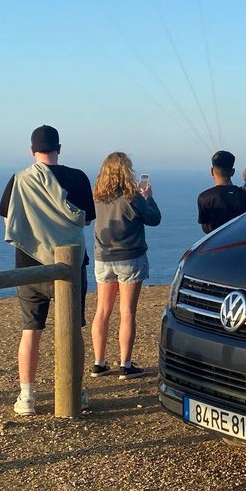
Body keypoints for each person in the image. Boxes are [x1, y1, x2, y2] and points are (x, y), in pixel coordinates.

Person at [0, 125, 94, 416]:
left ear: (32, 150)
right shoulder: (77, 177)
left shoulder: (19, 180)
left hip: (29, 267)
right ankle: (75, 391)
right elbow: (86, 220)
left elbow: (9, 222)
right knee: (73, 330)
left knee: (31, 331)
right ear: (59, 148)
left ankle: (27, 397)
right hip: (70, 265)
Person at [89, 152, 161, 379]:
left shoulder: (97, 197)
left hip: (103, 257)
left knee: (102, 310)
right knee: (127, 311)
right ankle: (125, 364)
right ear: (125, 171)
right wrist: (148, 197)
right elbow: (154, 219)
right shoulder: (133, 196)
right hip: (130, 257)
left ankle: (99, 363)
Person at [197, 150, 246, 234]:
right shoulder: (243, 195)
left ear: (212, 171)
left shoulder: (204, 198)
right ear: (233, 172)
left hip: (216, 244)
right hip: (240, 242)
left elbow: (205, 228)